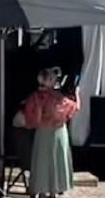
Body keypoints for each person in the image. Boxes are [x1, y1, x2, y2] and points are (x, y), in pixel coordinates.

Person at [21, 68, 80, 198]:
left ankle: (42, 191)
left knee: (42, 161)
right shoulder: (57, 97)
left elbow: (28, 117)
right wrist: (77, 94)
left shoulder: (34, 97)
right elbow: (74, 108)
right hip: (57, 132)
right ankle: (54, 190)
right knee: (55, 160)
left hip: (42, 132)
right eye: (52, 79)